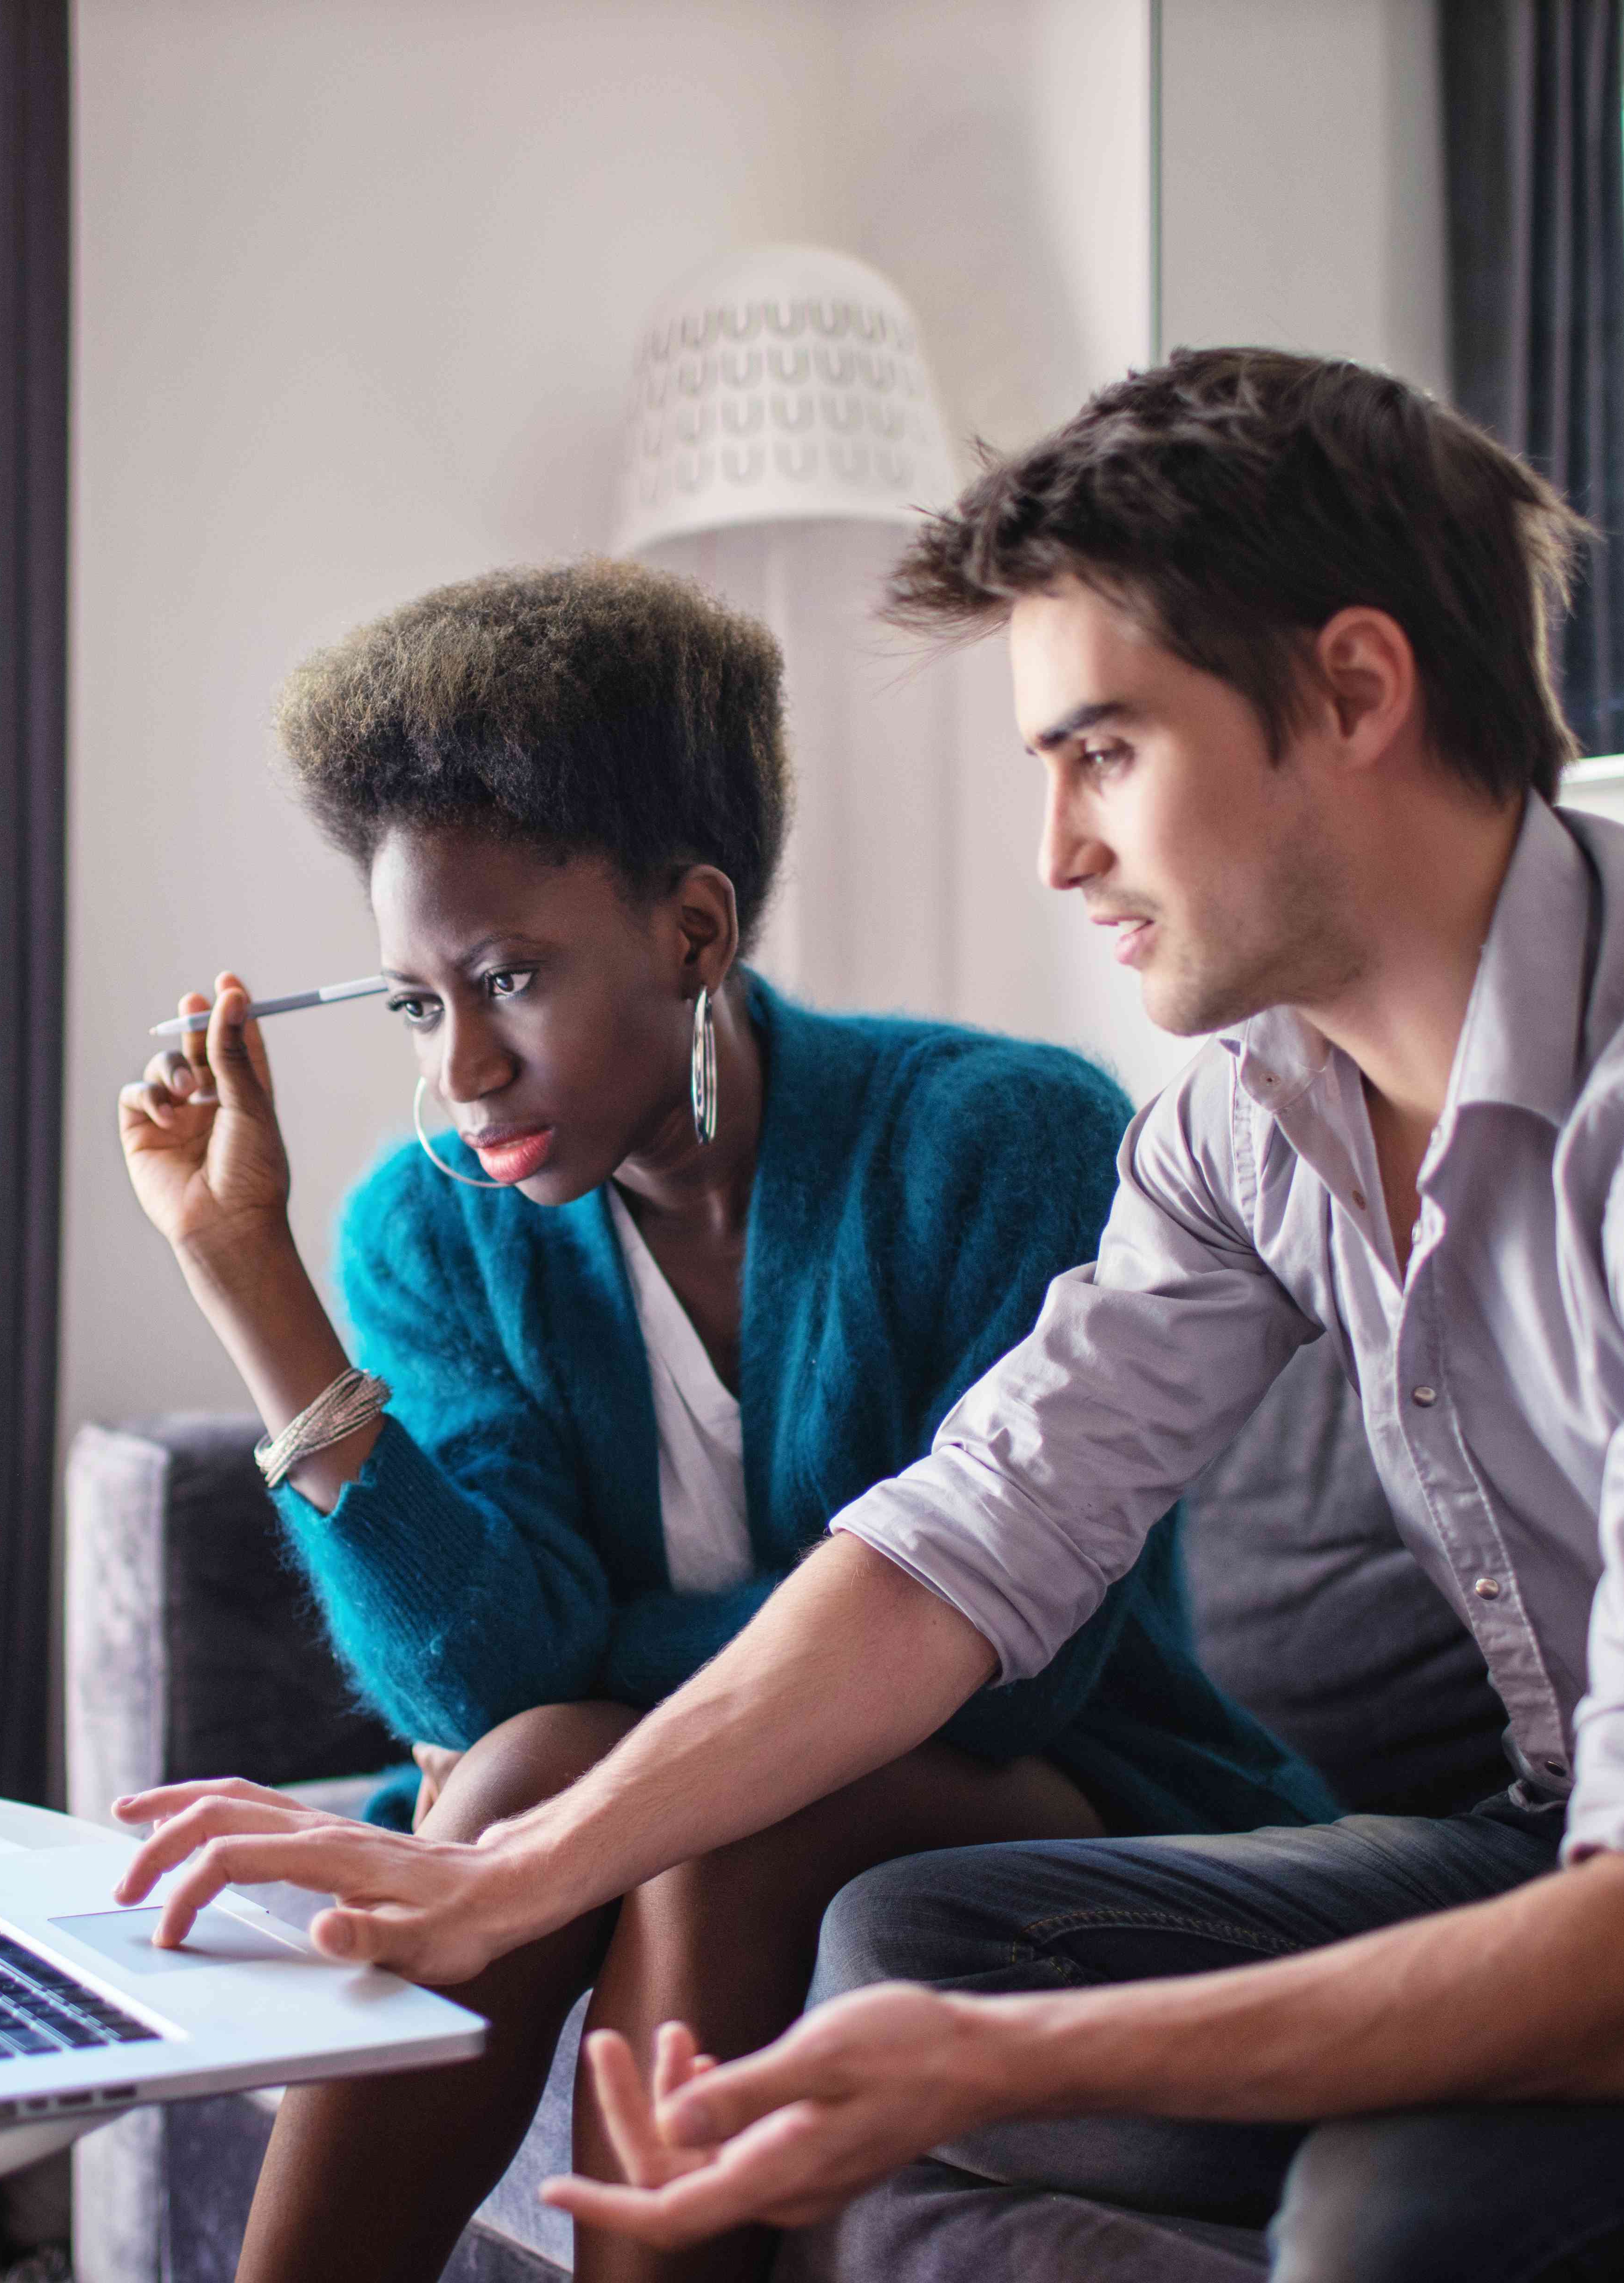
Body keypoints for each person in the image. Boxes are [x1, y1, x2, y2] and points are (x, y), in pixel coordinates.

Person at [112, 353, 1624, 2278]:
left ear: (1350, 689)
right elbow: (967, 1540)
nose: (1054, 850)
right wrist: (518, 1866)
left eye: (1103, 753)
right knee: (903, 1926)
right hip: (1564, 1833)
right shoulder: (1251, 1115)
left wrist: (976, 2068)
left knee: (1387, 2214)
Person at [112, 556, 1331, 2283]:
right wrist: (246, 1272)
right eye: (415, 1001)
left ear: (692, 931)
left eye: (512, 978)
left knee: (706, 1811)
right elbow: (481, 1683)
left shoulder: (1000, 1143)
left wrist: (599, 1670)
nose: (459, 1071)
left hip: (1071, 1792)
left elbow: (1010, 1668)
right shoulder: (434, 1218)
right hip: (648, 1772)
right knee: (538, 1760)